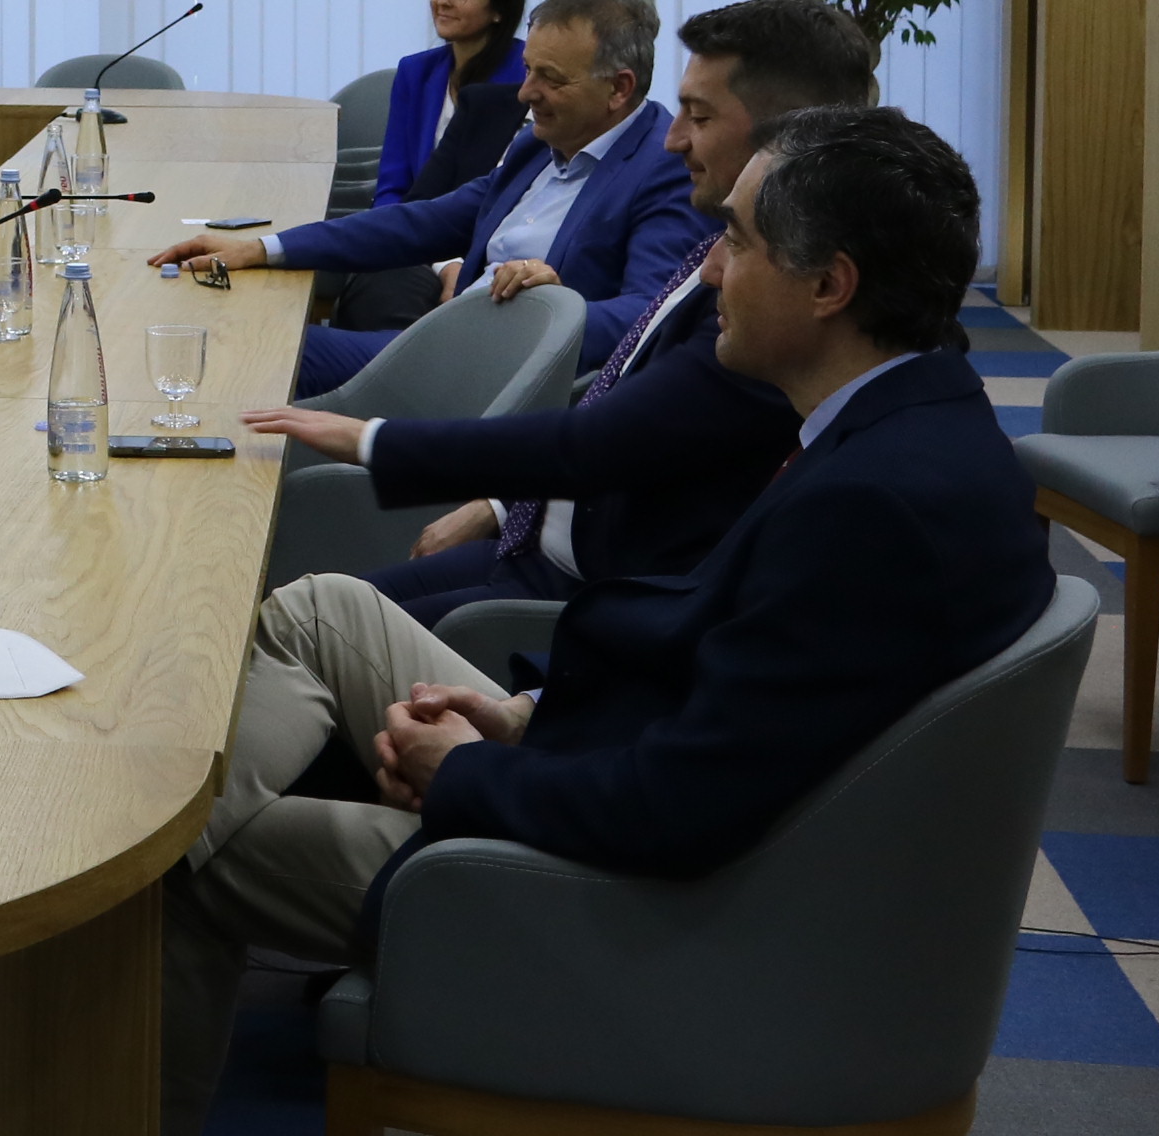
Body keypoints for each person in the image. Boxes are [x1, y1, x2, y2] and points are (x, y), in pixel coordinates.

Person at [159, 107, 1054, 1133]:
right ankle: (175, 814)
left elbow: (679, 810)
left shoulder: (874, 509)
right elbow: (748, 695)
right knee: (324, 608)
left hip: (623, 905)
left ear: (829, 285)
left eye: (738, 241)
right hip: (626, 770)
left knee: (185, 864)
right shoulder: (916, 422)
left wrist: (466, 772)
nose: (710, 269)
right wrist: (528, 716)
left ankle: (151, 862)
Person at [244, 0, 878, 625]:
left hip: (582, 591)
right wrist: (266, 248)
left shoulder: (768, 312)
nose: (675, 137)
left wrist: (370, 438)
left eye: (701, 115)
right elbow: (428, 222)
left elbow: (622, 424)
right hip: (527, 534)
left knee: (294, 624)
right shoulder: (552, 156)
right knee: (290, 613)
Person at [154, 0, 705, 394]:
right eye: (528, 69)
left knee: (257, 353)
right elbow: (420, 222)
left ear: (619, 88)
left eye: (550, 79)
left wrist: (552, 308)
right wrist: (263, 248)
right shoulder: (539, 145)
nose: (525, 92)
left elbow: (653, 314)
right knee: (233, 335)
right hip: (445, 343)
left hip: (500, 381)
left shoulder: (663, 167)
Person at [335, 0, 531, 331]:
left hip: (493, 248)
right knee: (381, 288)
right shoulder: (416, 73)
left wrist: (456, 262)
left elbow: (512, 194)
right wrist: (409, 245)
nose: (443, 0)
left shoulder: (528, 74)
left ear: (499, 10)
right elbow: (393, 186)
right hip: (420, 239)